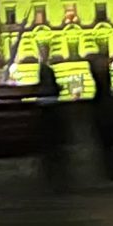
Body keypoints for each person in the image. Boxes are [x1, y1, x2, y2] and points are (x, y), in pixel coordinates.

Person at [29, 42, 72, 192]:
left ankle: (51, 175)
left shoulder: (42, 70)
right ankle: (57, 177)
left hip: (45, 114)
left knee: (50, 150)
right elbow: (50, 90)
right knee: (55, 149)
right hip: (51, 114)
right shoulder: (46, 70)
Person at [87, 41, 113, 183]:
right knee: (111, 147)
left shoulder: (101, 86)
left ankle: (111, 172)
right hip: (108, 116)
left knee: (108, 147)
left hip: (104, 116)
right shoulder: (105, 85)